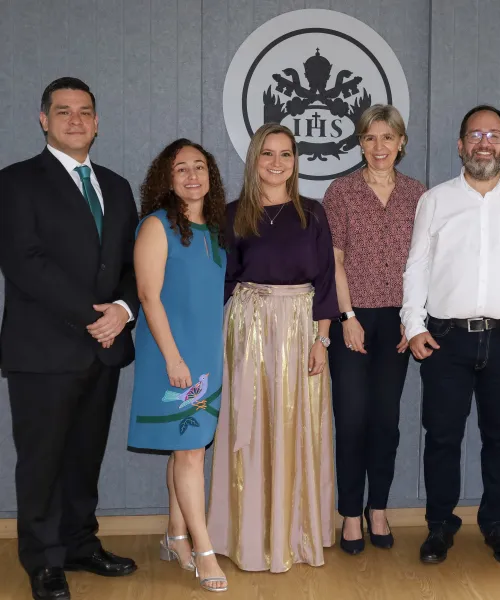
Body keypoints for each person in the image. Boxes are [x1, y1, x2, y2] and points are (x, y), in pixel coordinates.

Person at [0, 77, 138, 600]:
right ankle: (43, 561)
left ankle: (80, 544)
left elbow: (132, 263)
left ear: (97, 122)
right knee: (41, 463)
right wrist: (93, 317)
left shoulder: (117, 186)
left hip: (103, 349)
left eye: (84, 112)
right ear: (44, 120)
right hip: (43, 350)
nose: (75, 120)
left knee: (84, 457)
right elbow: (24, 262)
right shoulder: (15, 182)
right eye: (63, 111)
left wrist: (123, 310)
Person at [401, 105, 500, 566]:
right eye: (475, 135)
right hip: (445, 340)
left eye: (493, 135)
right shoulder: (435, 201)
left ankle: (497, 525)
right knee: (442, 438)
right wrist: (414, 325)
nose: (484, 143)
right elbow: (416, 267)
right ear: (461, 144)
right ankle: (439, 526)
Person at [207, 123, 339, 573]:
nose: (277, 163)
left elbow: (326, 280)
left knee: (297, 426)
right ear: (254, 160)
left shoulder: (313, 213)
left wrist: (322, 339)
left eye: (285, 154)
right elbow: (223, 281)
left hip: (302, 328)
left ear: (295, 161)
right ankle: (249, 535)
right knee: (251, 425)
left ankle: (297, 533)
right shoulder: (232, 214)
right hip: (248, 329)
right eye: (268, 153)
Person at [323, 105, 426, 555]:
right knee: (351, 420)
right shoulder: (341, 192)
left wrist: (414, 318)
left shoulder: (419, 195)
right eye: (369, 138)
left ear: (401, 142)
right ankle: (350, 513)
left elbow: (424, 264)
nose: (379, 146)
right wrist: (347, 317)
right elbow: (334, 260)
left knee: (386, 421)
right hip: (353, 319)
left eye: (387, 137)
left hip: (399, 322)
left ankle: (377, 508)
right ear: (360, 144)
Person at [126, 139, 228, 592]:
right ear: (166, 178)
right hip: (173, 357)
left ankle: (175, 535)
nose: (191, 175)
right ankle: (204, 552)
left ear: (210, 175)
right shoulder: (156, 225)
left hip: (206, 356)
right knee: (189, 452)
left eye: (199, 167)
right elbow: (148, 296)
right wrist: (173, 359)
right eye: (181, 168)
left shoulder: (215, 230)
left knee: (187, 446)